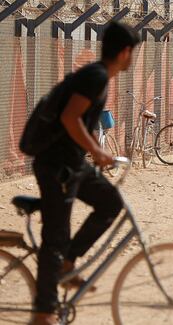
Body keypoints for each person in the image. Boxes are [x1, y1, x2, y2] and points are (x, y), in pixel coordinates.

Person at [27, 22, 138, 325]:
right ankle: (44, 311)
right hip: (56, 165)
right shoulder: (97, 76)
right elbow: (69, 117)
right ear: (126, 51)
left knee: (110, 202)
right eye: (133, 53)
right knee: (56, 236)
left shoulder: (99, 77)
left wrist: (92, 153)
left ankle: (67, 262)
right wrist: (99, 151)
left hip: (73, 163)